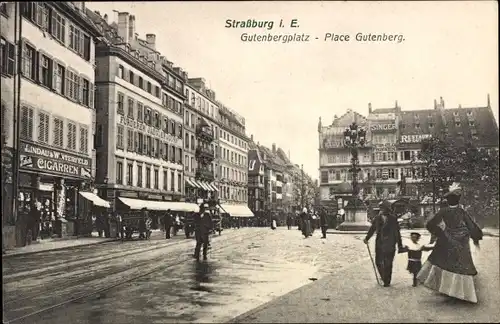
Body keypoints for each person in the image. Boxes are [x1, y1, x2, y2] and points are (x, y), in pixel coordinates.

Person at [417, 183, 483, 303]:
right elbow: (471, 225)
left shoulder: (443, 211)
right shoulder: (462, 211)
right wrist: (476, 237)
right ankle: (462, 293)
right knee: (462, 265)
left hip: (447, 240)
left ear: (448, 201)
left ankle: (447, 289)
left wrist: (440, 233)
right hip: (462, 243)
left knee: (445, 264)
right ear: (458, 200)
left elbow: (430, 224)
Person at [363, 200, 404, 287]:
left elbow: (397, 233)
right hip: (379, 243)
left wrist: (400, 245)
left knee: (388, 263)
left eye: (383, 208)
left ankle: (387, 281)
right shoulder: (377, 218)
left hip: (390, 244)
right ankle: (384, 276)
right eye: (380, 208)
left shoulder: (393, 219)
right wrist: (367, 238)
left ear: (387, 209)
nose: (381, 210)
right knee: (378, 262)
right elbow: (372, 228)